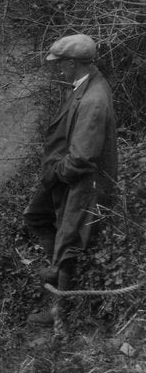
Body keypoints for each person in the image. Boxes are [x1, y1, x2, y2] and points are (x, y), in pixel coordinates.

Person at [24, 34, 118, 326]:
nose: (58, 69)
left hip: (83, 183)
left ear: (73, 63)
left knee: (70, 243)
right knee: (37, 215)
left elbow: (82, 157)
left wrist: (55, 174)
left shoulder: (93, 98)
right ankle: (54, 270)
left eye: (60, 64)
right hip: (68, 177)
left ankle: (59, 314)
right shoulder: (84, 85)